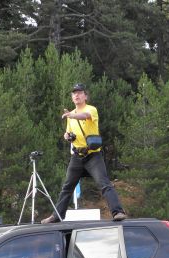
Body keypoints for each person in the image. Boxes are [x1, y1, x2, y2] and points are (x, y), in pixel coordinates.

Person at [41, 83, 126, 224]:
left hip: (93, 155)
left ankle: (118, 212)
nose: (76, 95)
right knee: (67, 187)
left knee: (104, 184)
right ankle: (56, 216)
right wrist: (67, 136)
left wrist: (72, 115)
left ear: (85, 96)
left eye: (80, 92)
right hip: (77, 156)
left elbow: (85, 116)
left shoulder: (90, 109)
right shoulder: (70, 116)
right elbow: (68, 132)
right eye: (74, 93)